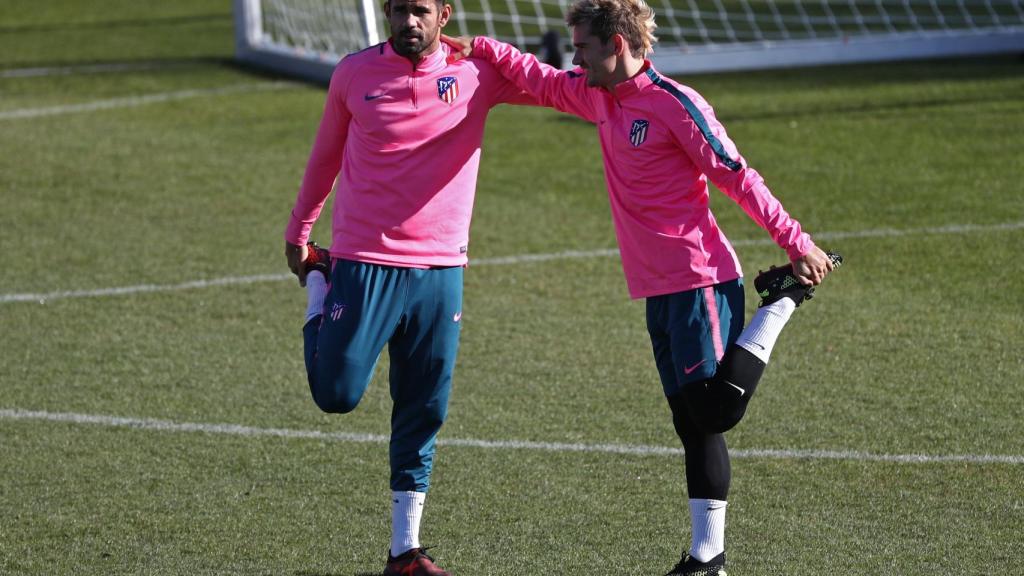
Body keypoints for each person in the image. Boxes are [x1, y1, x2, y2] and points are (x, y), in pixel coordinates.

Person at [448, 1, 840, 573]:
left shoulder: (675, 105)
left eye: (583, 47)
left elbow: (735, 174)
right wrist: (481, 47)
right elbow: (540, 78)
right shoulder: (597, 95)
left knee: (714, 412)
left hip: (700, 277)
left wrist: (795, 241)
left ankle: (779, 300)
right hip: (657, 290)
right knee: (690, 423)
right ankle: (709, 558)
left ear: (618, 45)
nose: (575, 58)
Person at [283, 0, 534, 573]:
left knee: (424, 406)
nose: (407, 22)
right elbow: (325, 156)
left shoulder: (477, 73)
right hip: (364, 260)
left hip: (442, 269)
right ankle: (319, 283)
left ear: (445, 14)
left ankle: (405, 549)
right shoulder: (354, 73)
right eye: (398, 10)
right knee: (336, 393)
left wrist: (499, 49)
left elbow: (557, 90)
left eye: (419, 11)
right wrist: (300, 233)